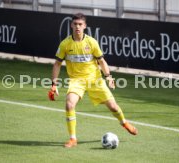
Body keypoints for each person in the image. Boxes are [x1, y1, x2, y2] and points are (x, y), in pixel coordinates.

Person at [49, 13, 138, 148]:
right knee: (69, 104)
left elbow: (101, 61)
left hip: (95, 79)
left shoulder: (91, 42)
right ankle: (73, 139)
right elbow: (57, 64)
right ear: (71, 25)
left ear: (84, 26)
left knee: (113, 106)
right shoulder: (65, 44)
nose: (78, 27)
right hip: (76, 81)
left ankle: (124, 123)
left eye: (80, 24)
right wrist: (53, 85)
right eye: (75, 24)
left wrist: (108, 77)